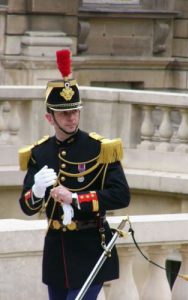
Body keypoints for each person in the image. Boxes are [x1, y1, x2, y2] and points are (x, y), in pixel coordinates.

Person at [18, 49, 130, 300]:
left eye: (75, 111)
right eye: (64, 113)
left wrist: (76, 199)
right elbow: (26, 207)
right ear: (50, 117)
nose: (71, 118)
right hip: (57, 253)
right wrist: (35, 191)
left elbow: (121, 195)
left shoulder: (100, 149)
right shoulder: (39, 153)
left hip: (91, 249)